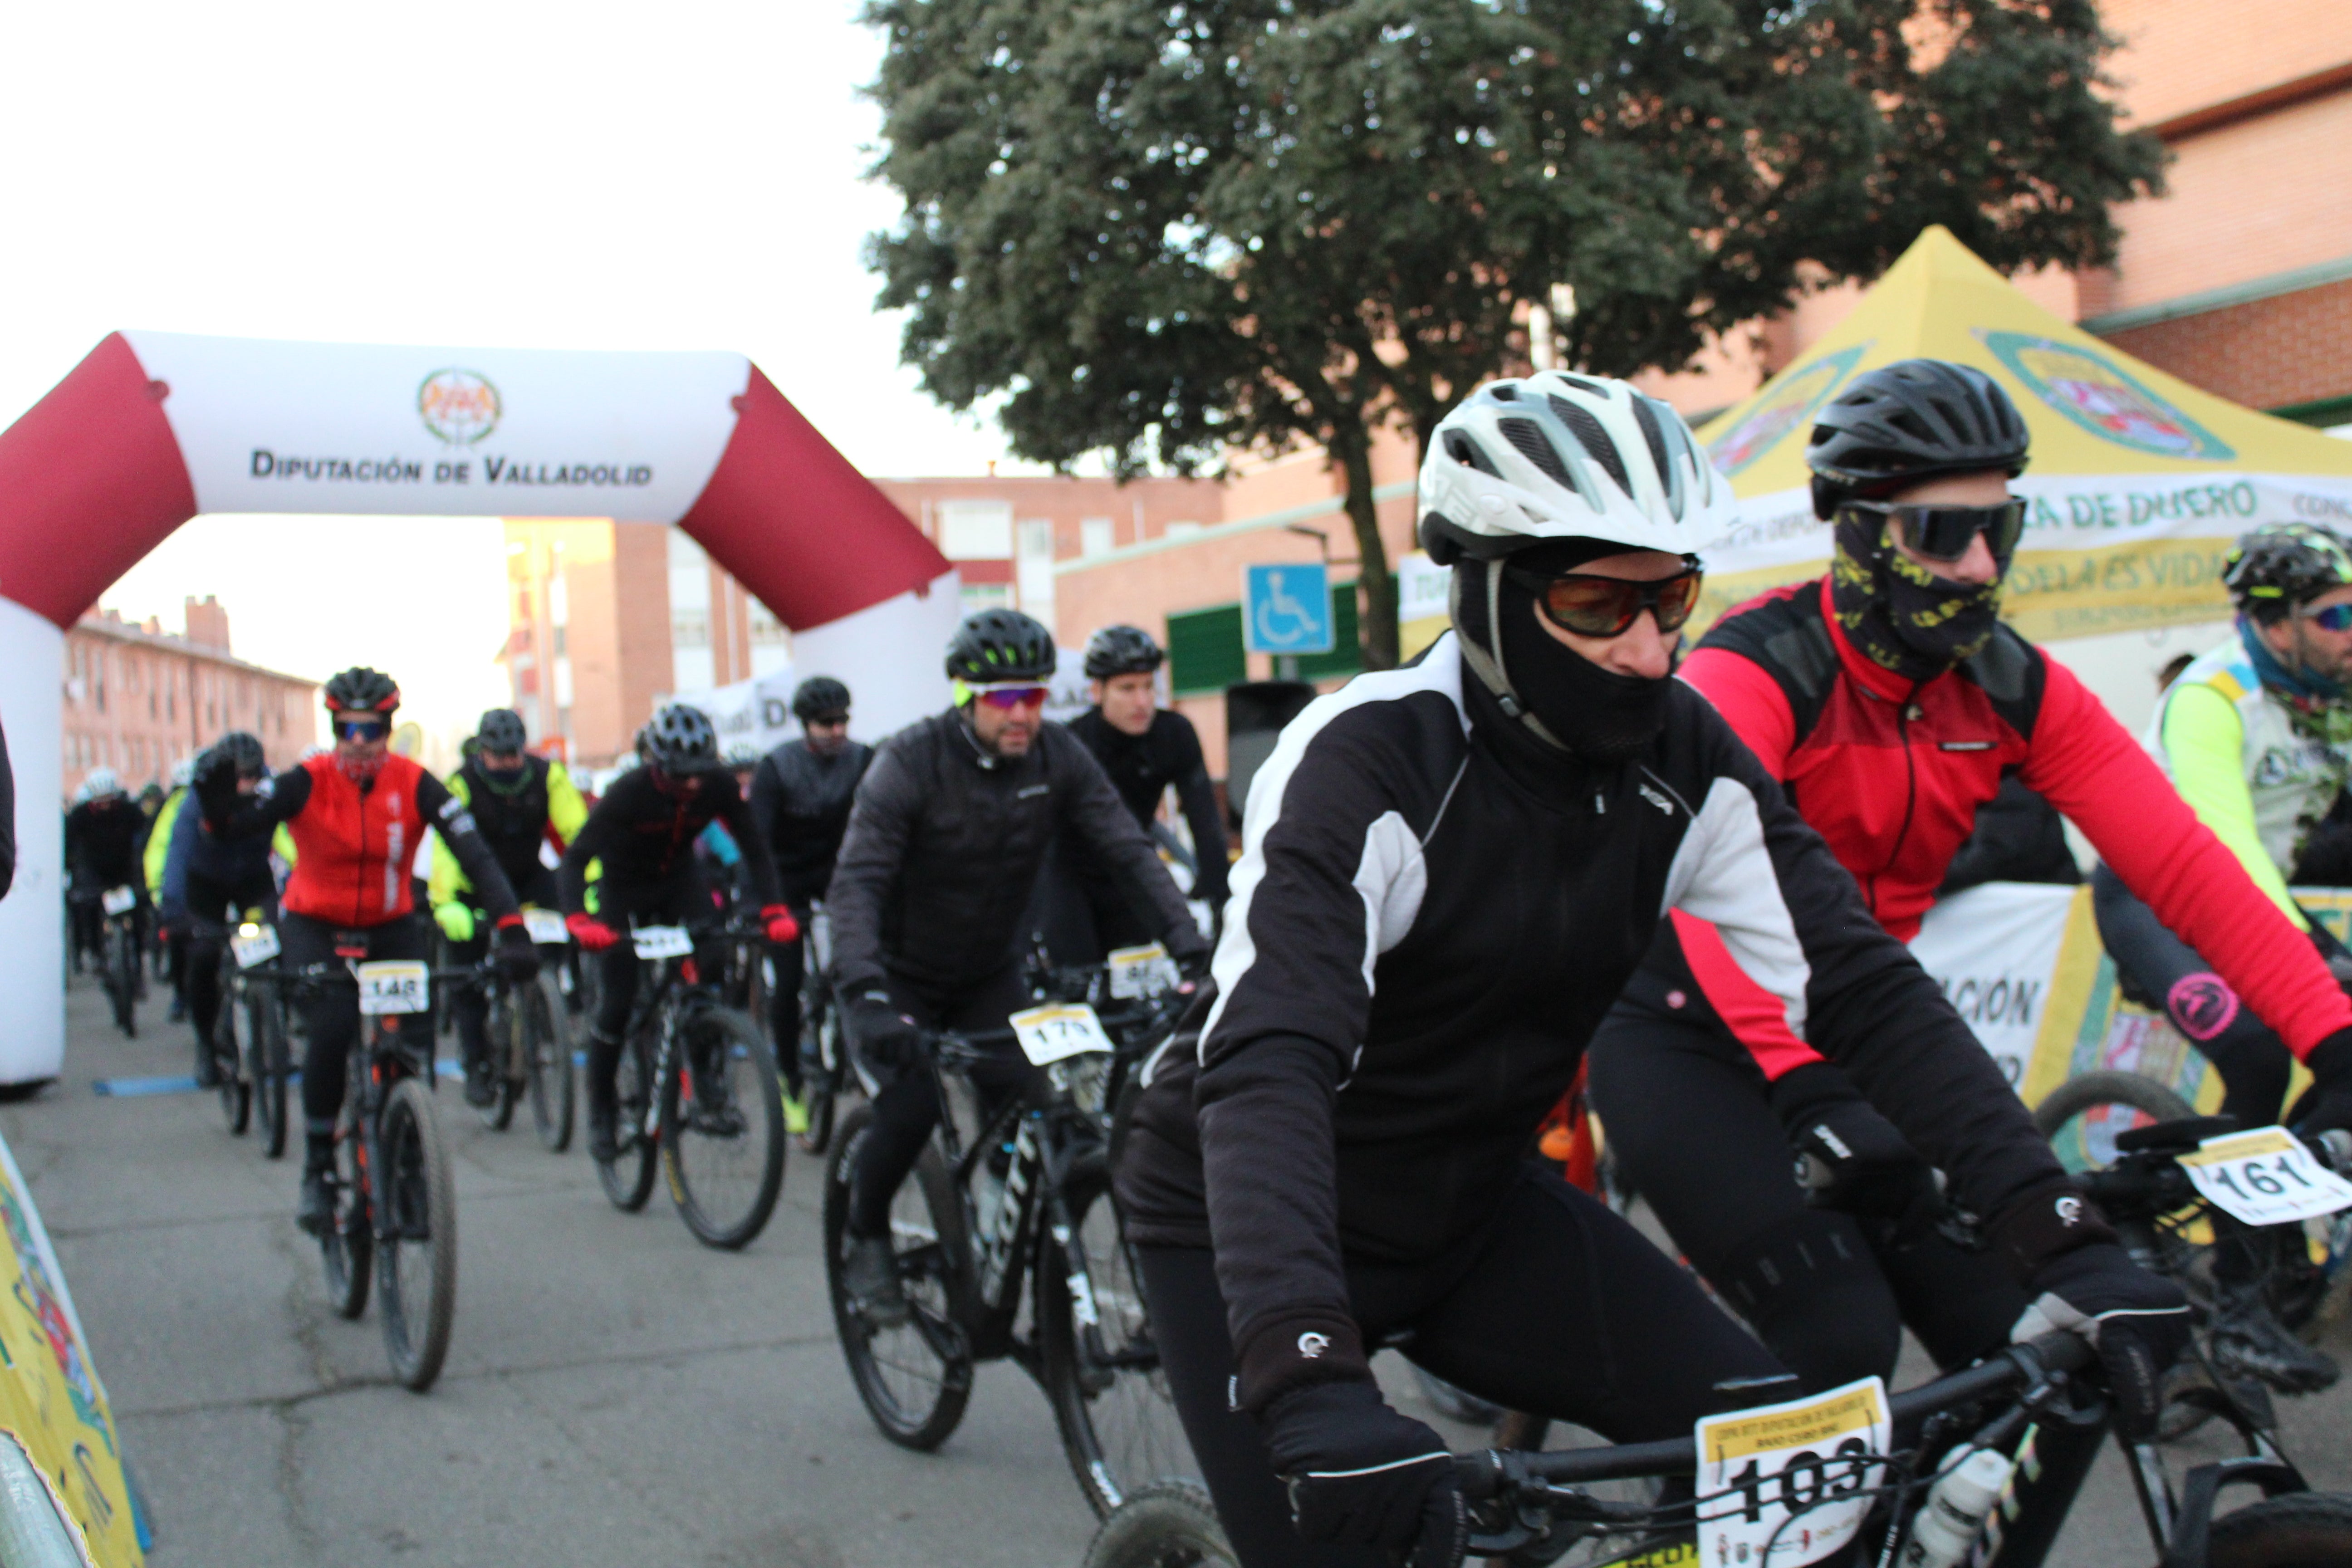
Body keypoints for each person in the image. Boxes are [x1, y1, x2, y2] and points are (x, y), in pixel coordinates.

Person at [1112, 370, 2188, 1568]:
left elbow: (1860, 987)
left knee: (1797, 1482)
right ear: (1485, 590)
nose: (1647, 646)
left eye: (1671, 596)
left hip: (1473, 1213)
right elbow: (1270, 1068)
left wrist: (2064, 1233)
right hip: (1244, 1229)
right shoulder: (1371, 760)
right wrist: (1305, 1373)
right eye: (1595, 600)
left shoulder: (1685, 752)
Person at [1582, 360, 2352, 1411]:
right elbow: (1713, 889)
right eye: (1940, 532)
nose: (1979, 564)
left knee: (2032, 1348)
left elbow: (2179, 864)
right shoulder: (1753, 671)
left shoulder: (2010, 682)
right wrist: (1807, 1087)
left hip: (1863, 1032)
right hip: (1691, 1035)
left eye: (2001, 527)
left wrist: (2333, 1036)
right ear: (1852, 529)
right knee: (1840, 1340)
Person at [830, 609, 1210, 1326]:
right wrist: (866, 992)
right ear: (966, 697)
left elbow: (1126, 851)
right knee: (910, 1111)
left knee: (1048, 1107)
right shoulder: (907, 763)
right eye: (1004, 698)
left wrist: (1191, 951)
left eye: (1033, 696)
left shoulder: (1057, 756)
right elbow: (858, 884)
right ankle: (866, 1234)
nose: (1021, 714)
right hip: (894, 978)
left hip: (986, 975)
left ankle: (1043, 1294)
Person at [2092, 520, 2352, 1389]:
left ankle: (2274, 1217)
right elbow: (2224, 845)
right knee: (2255, 1050)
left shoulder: (2335, 693)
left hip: (2259, 910)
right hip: (2161, 902)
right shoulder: (2213, 693)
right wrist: (2308, 949)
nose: (2349, 635)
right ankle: (2237, 1303)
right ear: (2272, 623)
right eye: (2335, 615)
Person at [198, 668, 543, 1231]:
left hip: (391, 925)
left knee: (413, 1041)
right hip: (315, 925)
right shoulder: (306, 781)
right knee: (332, 1029)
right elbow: (238, 828)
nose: (359, 741)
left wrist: (512, 928)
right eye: (347, 727)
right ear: (334, 726)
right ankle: (316, 1167)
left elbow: (476, 856)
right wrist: (215, 811)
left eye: (373, 728)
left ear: (389, 726)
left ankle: (409, 1164)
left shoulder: (415, 782)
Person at [557, 704, 798, 1162]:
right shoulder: (628, 792)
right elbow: (575, 858)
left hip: (679, 881)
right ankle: (603, 1109)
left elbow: (754, 847)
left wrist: (773, 908)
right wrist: (578, 921)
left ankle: (708, 1081)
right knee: (618, 1001)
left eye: (700, 776)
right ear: (658, 766)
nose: (692, 786)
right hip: (623, 888)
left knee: (713, 961)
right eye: (680, 777)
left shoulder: (719, 783)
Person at [427, 708, 588, 1107]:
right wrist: (447, 903)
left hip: (528, 876)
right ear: (482, 753)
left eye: (513, 755)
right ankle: (477, 1061)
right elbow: (446, 850)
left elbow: (578, 833)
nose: (507, 765)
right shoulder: (461, 784)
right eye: (498, 757)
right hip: (473, 884)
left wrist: (594, 880)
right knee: (468, 976)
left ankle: (545, 1000)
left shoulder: (547, 775)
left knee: (564, 929)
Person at [748, 676, 874, 1130]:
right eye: (826, 723)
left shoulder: (863, 759)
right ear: (805, 725)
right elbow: (756, 841)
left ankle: (860, 1055)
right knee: (787, 981)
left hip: (838, 870)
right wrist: (763, 906)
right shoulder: (777, 768)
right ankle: (790, 1079)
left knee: (862, 962)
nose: (838, 730)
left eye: (843, 721)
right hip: (785, 876)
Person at [1066, 624, 1231, 941]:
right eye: (1127, 689)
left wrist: (1221, 902)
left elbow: (1205, 822)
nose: (1142, 702)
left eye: (1148, 686)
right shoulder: (1074, 741)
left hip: (1135, 873)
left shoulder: (1174, 734)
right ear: (1096, 691)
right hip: (1073, 879)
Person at [161, 734, 278, 1085]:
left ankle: (275, 1029)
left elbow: (295, 836)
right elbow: (178, 853)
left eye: (254, 775)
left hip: (252, 881)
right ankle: (206, 1046)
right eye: (240, 776)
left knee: (276, 948)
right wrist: (173, 909)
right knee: (204, 957)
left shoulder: (271, 793)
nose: (247, 784)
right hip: (206, 885)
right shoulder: (198, 800)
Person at [145, 756, 199, 1023]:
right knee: (180, 941)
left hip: (220, 888)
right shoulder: (174, 808)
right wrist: (158, 888)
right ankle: (181, 995)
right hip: (184, 890)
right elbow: (158, 848)